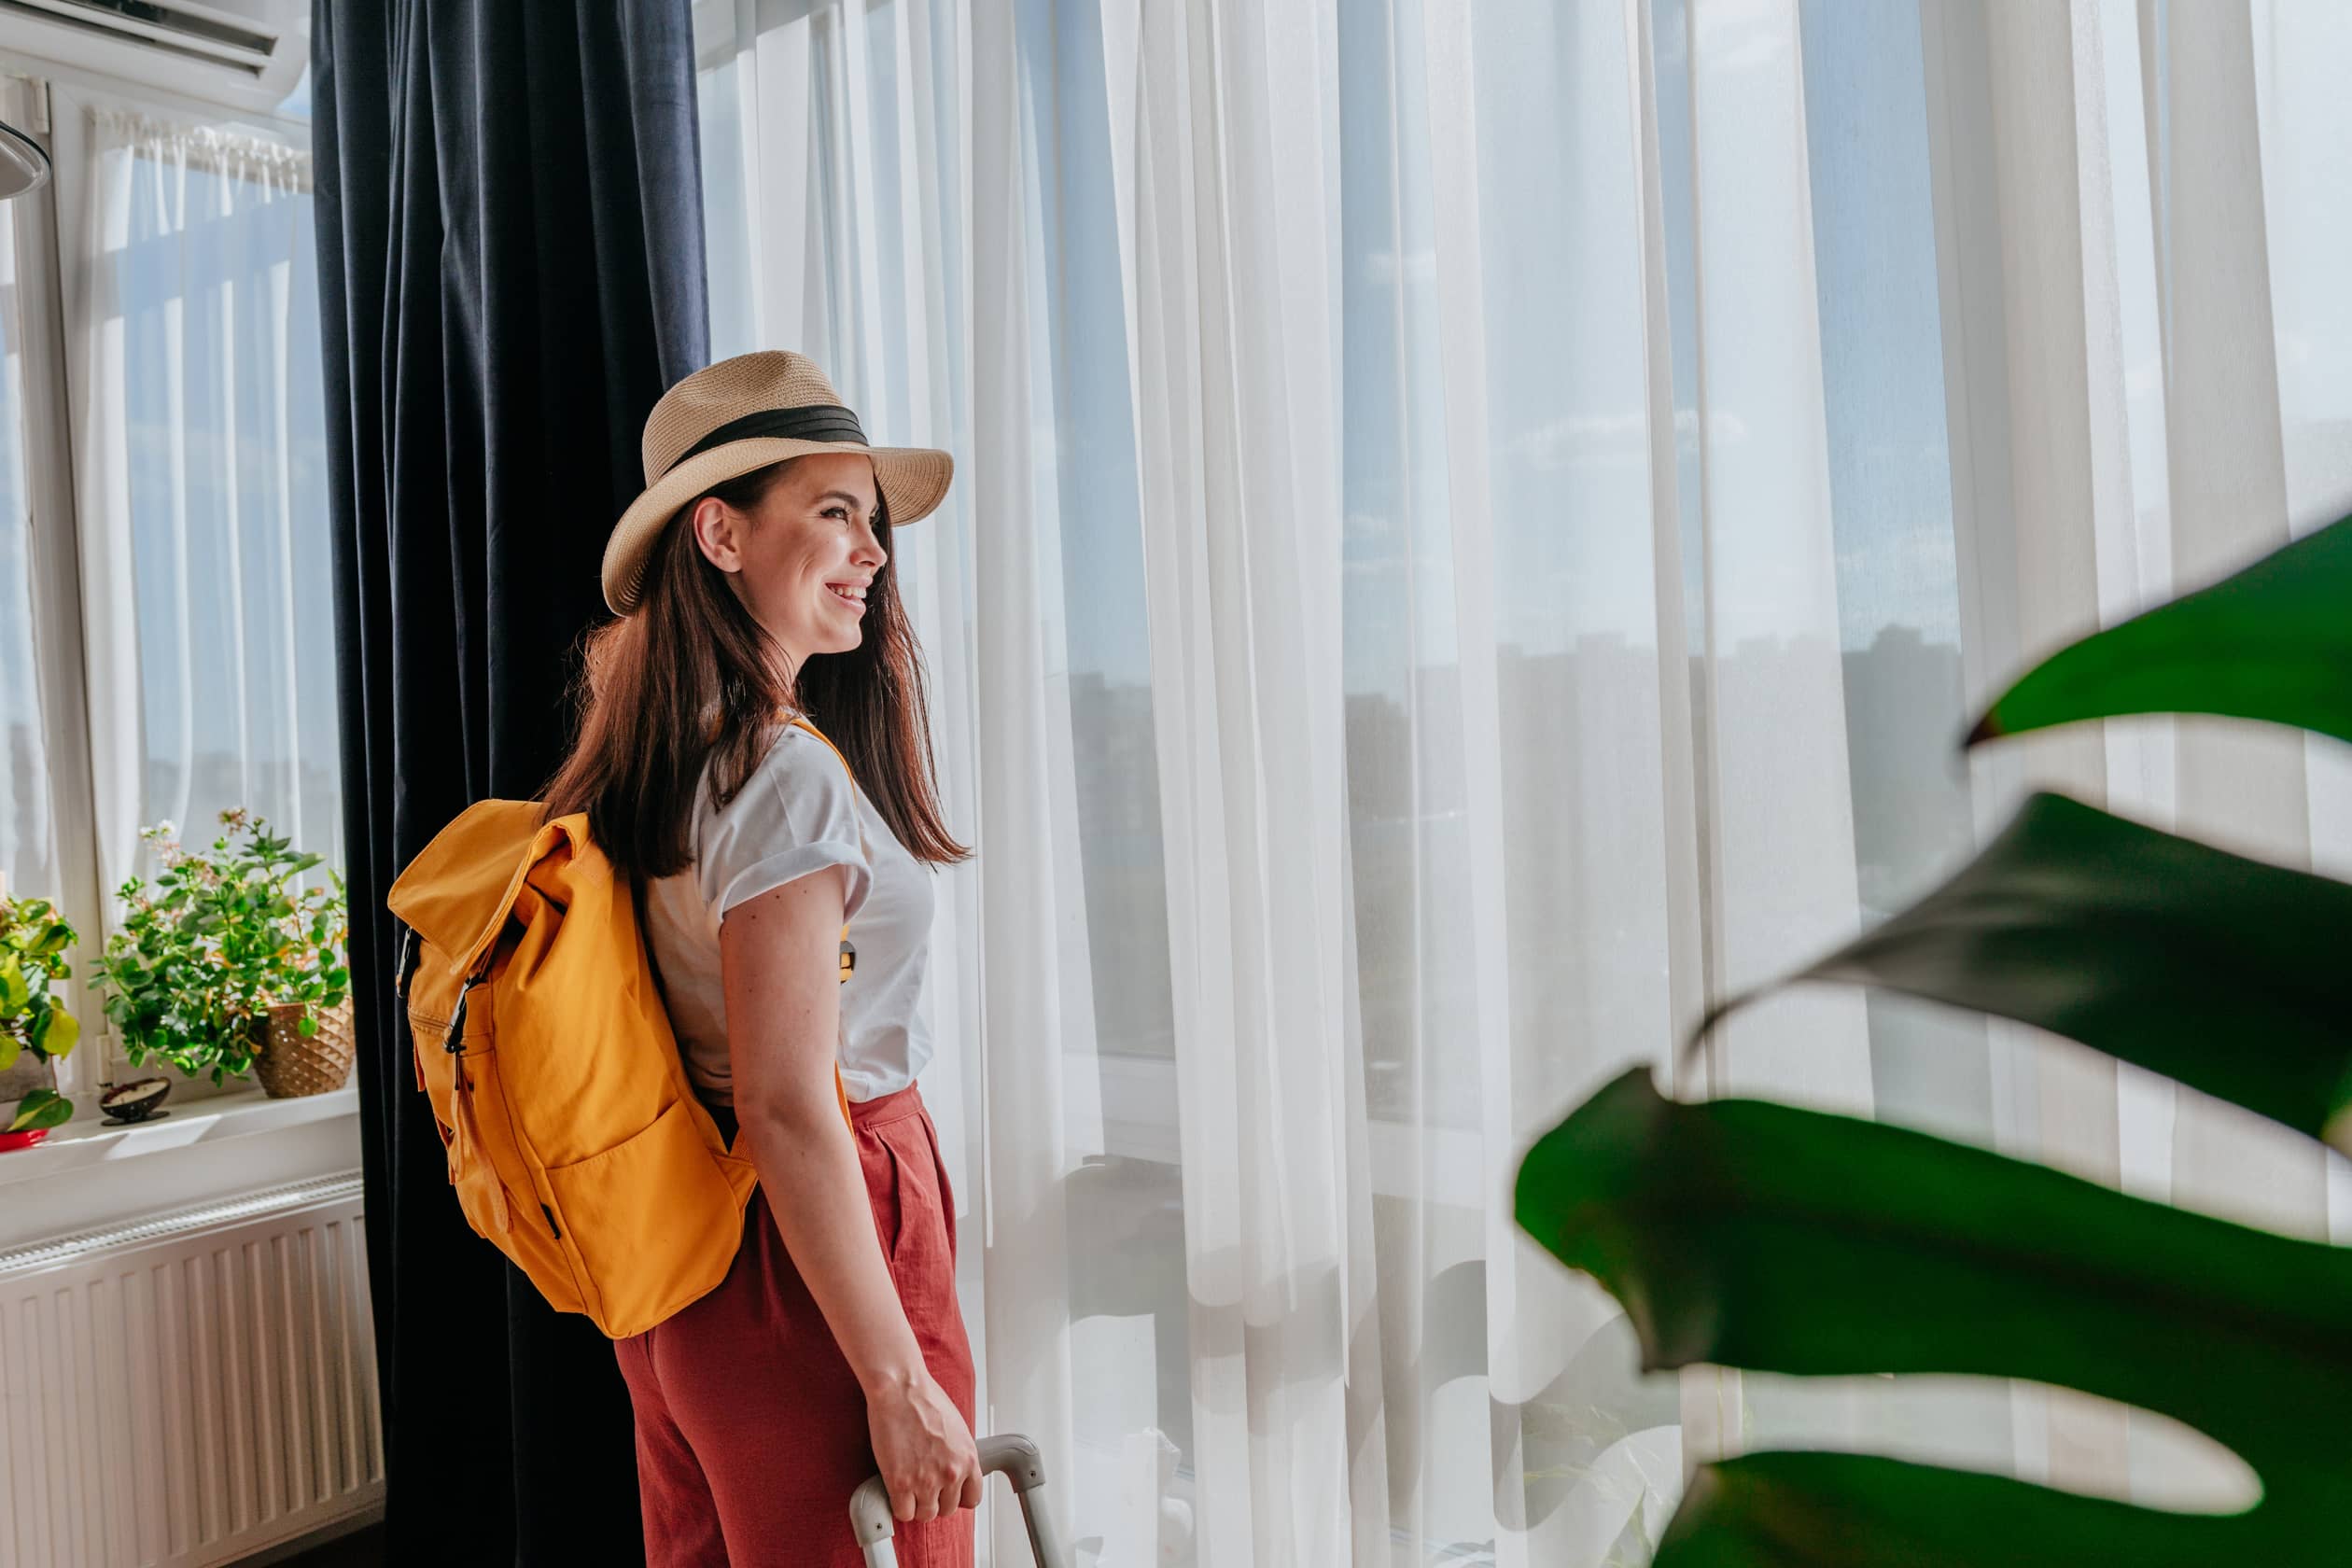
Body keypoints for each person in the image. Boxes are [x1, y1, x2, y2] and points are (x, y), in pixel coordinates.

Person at [542, 350, 981, 1564]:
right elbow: (793, 1107)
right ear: (721, 536)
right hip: (822, 1235)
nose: (872, 550)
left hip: (684, 1254)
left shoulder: (649, 761)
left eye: (872, 518)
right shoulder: (777, 774)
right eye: (833, 512)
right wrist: (893, 1378)